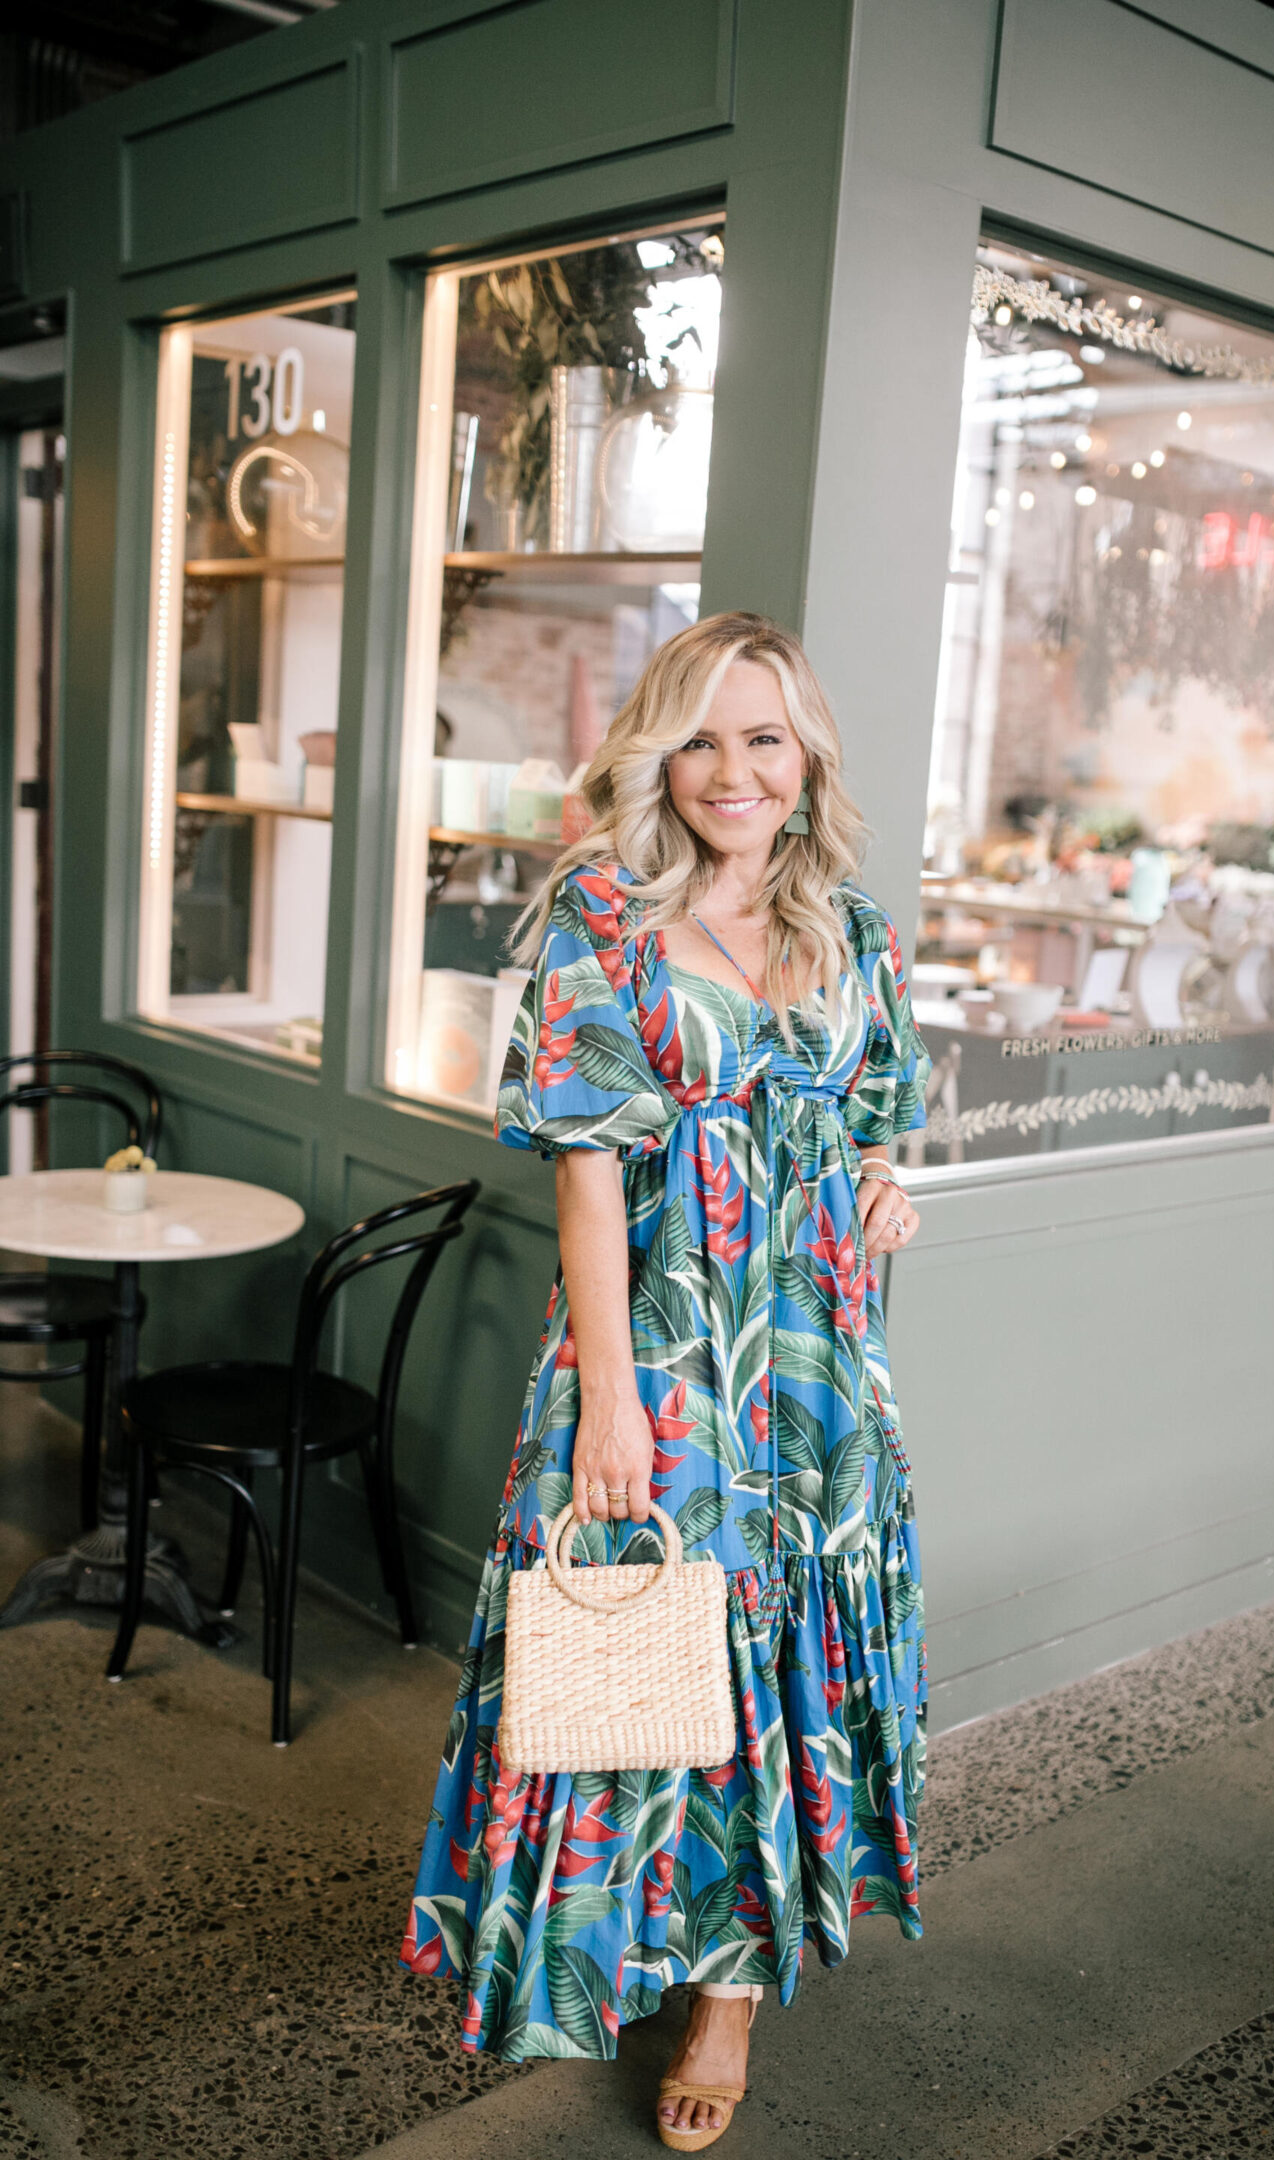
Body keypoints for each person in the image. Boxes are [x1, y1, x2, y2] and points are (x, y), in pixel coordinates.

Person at [402, 612, 931, 2148]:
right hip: (668, 1351)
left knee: (782, 1657)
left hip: (823, 1366)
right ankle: (627, 1938)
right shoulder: (602, 922)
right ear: (661, 755)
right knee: (642, 1658)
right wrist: (613, 1405)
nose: (732, 770)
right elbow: (581, 1184)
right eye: (700, 737)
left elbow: (871, 1132)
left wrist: (889, 1193)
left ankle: (730, 1991)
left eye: (763, 737)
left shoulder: (857, 929)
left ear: (806, 752)